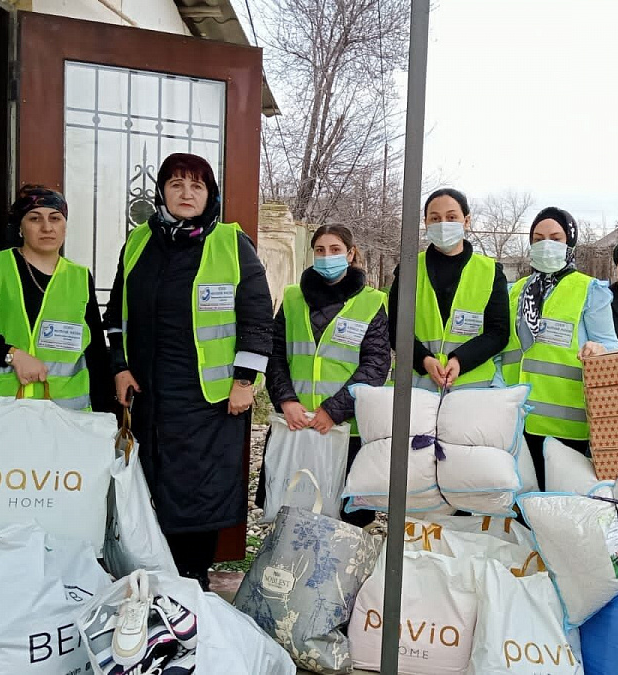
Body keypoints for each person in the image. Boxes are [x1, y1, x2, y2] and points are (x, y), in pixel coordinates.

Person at [102, 153, 273, 591]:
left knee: (200, 490)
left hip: (210, 401)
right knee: (152, 483)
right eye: (176, 184)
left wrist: (244, 381)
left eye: (196, 186)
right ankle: (153, 578)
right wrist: (119, 368)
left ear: (209, 194)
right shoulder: (138, 242)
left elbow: (257, 318)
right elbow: (116, 315)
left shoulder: (232, 244)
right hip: (150, 396)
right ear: (162, 191)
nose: (186, 193)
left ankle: (193, 581)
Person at [261, 225, 391, 528]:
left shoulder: (372, 301)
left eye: (335, 250)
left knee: (347, 521)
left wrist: (334, 410)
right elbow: (275, 353)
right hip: (296, 423)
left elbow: (375, 365)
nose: (326, 256)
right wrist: (286, 400)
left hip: (345, 428)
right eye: (319, 250)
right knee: (293, 508)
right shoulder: (293, 297)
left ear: (350, 253)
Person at [0, 185, 112, 411]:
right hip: (0, 417)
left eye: (55, 218)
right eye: (35, 218)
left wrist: (105, 419)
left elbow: (96, 356)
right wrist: (10, 355)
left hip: (66, 421)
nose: (46, 227)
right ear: (21, 227)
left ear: (64, 226)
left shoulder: (79, 278)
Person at [501, 207, 618, 489]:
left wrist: (599, 350)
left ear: (570, 242)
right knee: (519, 511)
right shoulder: (515, 291)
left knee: (559, 510)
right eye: (538, 238)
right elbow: (504, 350)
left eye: (555, 238)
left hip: (566, 426)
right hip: (516, 421)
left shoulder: (589, 290)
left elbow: (611, 346)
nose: (546, 245)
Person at [387, 188, 509, 391]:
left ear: (466, 221)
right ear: (425, 222)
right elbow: (395, 328)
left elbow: (498, 332)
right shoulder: (408, 270)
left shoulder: (490, 271)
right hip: (416, 388)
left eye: (451, 217)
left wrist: (460, 360)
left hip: (471, 389)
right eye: (435, 218)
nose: (443, 224)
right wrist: (423, 359)